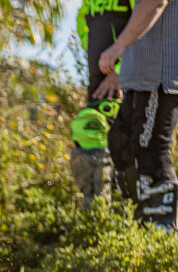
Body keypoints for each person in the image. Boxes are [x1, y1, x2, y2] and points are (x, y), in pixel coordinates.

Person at [99, 0, 178, 232]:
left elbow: (155, 2)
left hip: (161, 72)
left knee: (150, 152)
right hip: (140, 74)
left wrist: (118, 47)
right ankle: (137, 222)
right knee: (121, 142)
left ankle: (162, 234)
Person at [70, 0, 133, 207]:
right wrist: (97, 58)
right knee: (89, 135)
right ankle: (97, 214)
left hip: (125, 82)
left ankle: (124, 211)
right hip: (99, 82)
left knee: (124, 148)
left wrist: (120, 71)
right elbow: (84, 24)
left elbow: (143, 26)